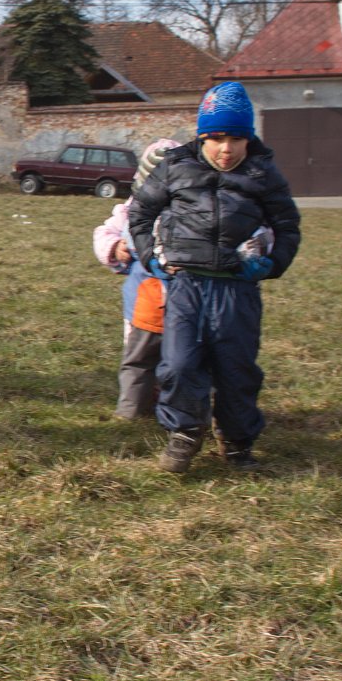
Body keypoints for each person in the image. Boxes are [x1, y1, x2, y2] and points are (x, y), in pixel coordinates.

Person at [128, 81, 301, 473]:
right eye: (217, 138)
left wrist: (272, 264)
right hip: (185, 285)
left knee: (235, 366)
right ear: (203, 135)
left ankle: (238, 442)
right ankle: (185, 433)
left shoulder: (263, 173)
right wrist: (150, 257)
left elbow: (288, 226)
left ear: (248, 138)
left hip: (237, 288)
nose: (227, 149)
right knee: (179, 363)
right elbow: (140, 214)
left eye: (237, 138)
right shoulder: (175, 166)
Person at [92, 139, 178, 421]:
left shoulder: (189, 211)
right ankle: (132, 410)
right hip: (140, 305)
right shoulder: (128, 212)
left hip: (182, 303)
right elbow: (103, 234)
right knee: (137, 359)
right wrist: (114, 248)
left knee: (179, 360)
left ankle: (171, 406)